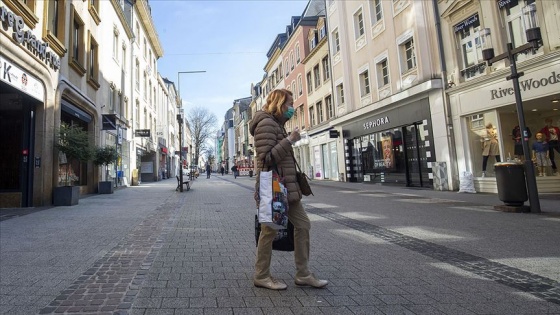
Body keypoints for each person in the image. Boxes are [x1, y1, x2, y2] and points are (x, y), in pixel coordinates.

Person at [249, 88, 327, 290]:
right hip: (274, 188)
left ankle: (303, 274)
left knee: (303, 225)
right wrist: (289, 140)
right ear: (279, 103)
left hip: (286, 188)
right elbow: (265, 158)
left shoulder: (277, 124)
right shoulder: (266, 123)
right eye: (290, 104)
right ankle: (262, 275)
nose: (292, 108)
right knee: (269, 230)